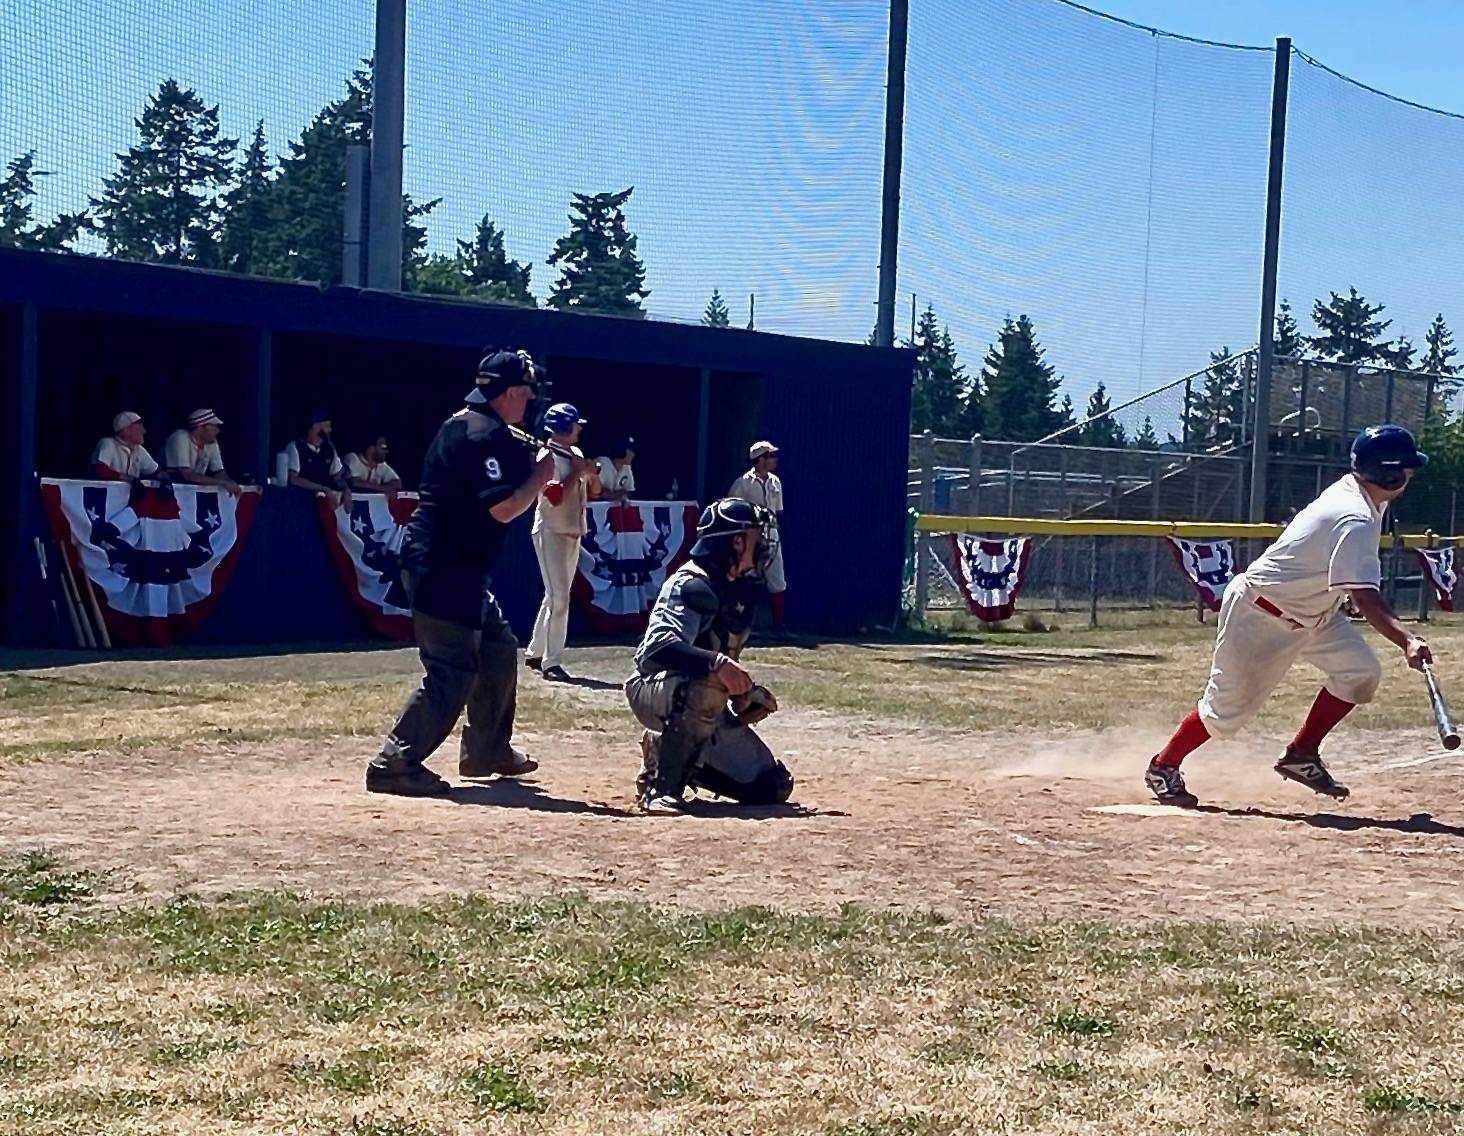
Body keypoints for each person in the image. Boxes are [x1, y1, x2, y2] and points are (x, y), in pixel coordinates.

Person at [1145, 424, 1434, 808]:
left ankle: (1302, 753)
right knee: (1224, 714)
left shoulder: (1363, 497)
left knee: (1360, 672)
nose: (1412, 474)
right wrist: (1407, 640)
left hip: (1315, 614)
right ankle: (1163, 766)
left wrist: (1342, 594)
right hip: (1262, 614)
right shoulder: (1356, 517)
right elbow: (1365, 596)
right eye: (1407, 469)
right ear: (1390, 475)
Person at [367, 349, 593, 797]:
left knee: (498, 651)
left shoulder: (483, 427)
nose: (530, 401)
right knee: (452, 669)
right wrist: (542, 474)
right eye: (525, 393)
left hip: (460, 570)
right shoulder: (480, 434)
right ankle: (394, 762)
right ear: (507, 393)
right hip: (443, 568)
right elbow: (503, 507)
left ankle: (487, 750)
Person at [625, 497, 795, 814]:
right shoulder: (690, 583)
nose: (762, 544)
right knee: (707, 683)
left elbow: (720, 663)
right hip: (652, 687)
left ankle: (667, 752)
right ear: (737, 542)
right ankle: (662, 790)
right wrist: (718, 666)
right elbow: (658, 648)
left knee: (770, 785)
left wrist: (742, 695)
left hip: (696, 695)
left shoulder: (737, 588)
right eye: (755, 536)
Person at [527, 403, 593, 683]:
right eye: (575, 424)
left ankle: (535, 651)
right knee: (560, 598)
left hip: (573, 530)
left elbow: (593, 489)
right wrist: (577, 471)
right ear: (564, 426)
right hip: (551, 531)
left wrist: (590, 472)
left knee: (554, 595)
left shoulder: (575, 453)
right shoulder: (547, 457)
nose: (579, 429)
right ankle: (552, 662)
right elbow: (554, 497)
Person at [728, 440, 787, 627]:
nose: (775, 460)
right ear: (760, 459)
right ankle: (739, 620)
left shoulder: (775, 482)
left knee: (777, 578)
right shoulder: (743, 483)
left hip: (772, 533)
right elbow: (731, 510)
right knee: (746, 577)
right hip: (750, 536)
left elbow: (778, 510)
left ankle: (778, 624)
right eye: (771, 456)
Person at [163, 408, 241, 495]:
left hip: (190, 492)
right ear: (200, 427)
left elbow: (218, 471)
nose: (218, 431)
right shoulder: (180, 437)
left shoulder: (211, 442)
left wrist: (230, 482)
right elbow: (186, 475)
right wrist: (222, 483)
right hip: (169, 493)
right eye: (214, 427)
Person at [286, 409, 352, 511]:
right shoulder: (296, 447)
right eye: (327, 426)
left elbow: (337, 476)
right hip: (300, 502)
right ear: (316, 426)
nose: (330, 430)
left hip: (323, 503)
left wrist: (346, 490)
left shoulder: (329, 449)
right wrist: (323, 489)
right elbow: (294, 479)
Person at [92, 411, 162, 482]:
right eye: (140, 428)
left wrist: (164, 476)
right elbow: (101, 470)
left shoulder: (139, 449)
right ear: (126, 431)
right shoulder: (108, 443)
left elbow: (155, 471)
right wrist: (130, 479)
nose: (144, 431)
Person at [593, 436, 636, 503]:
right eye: (631, 450)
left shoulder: (627, 467)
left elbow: (628, 490)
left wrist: (618, 495)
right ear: (622, 450)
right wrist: (618, 495)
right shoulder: (601, 463)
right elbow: (597, 491)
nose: (633, 455)